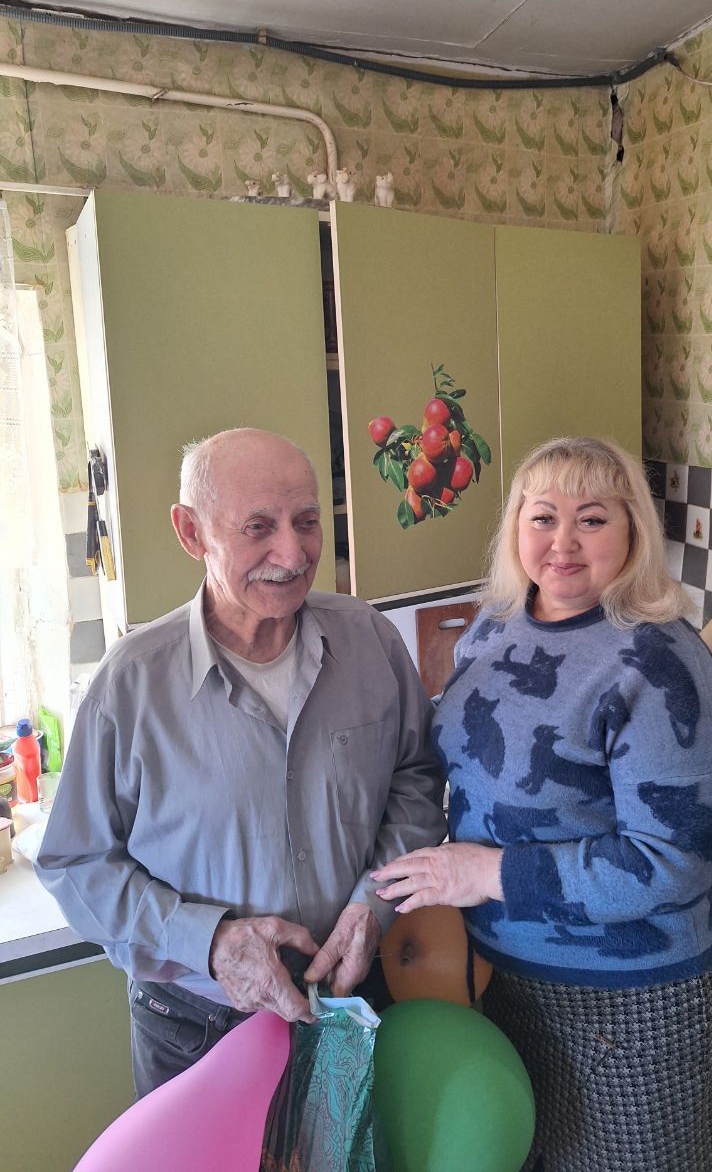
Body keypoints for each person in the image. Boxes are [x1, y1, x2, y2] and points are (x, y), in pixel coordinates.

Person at [37, 427, 445, 1097]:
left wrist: (373, 905)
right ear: (191, 533)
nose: (293, 553)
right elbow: (76, 863)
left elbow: (416, 777)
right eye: (259, 528)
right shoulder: (130, 685)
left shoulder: (369, 640)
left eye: (307, 522)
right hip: (196, 1029)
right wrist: (208, 941)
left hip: (348, 1004)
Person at [373, 436, 712, 1172]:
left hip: (630, 996)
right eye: (543, 517)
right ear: (516, 527)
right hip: (500, 972)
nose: (563, 543)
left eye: (592, 520)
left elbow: (675, 862)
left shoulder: (659, 661)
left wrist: (488, 875)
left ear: (632, 532)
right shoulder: (494, 625)